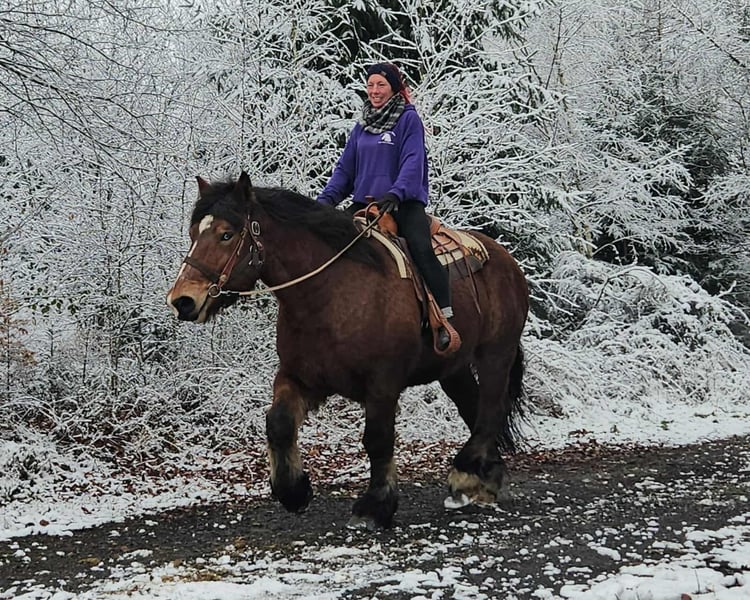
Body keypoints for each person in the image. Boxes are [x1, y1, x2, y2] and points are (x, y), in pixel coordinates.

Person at [317, 62, 459, 352]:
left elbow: (413, 160)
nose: (374, 90)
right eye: (370, 85)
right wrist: (325, 202)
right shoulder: (361, 127)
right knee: (328, 244)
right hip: (364, 203)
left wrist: (397, 192)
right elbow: (344, 171)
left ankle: (444, 318)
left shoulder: (408, 120)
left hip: (402, 202)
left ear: (394, 88)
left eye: (380, 84)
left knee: (420, 248)